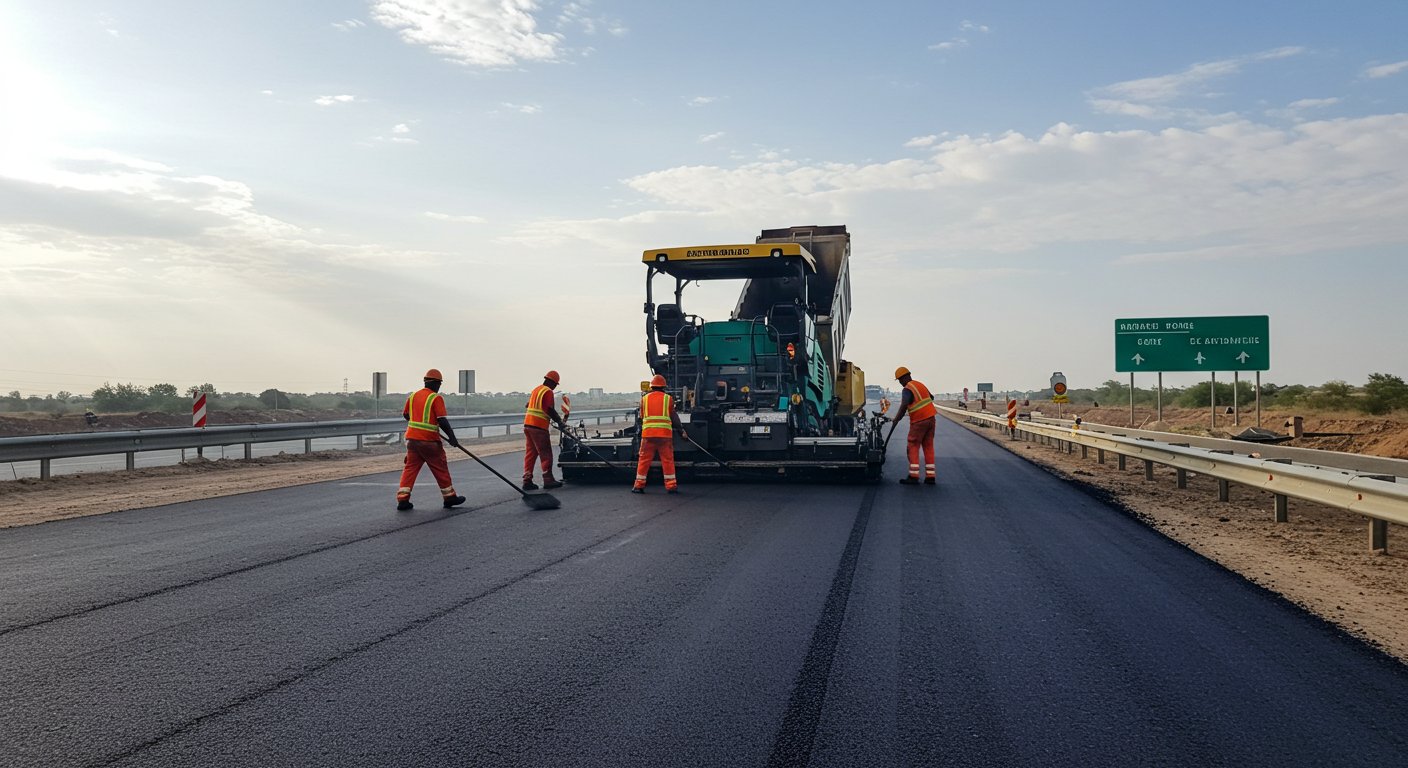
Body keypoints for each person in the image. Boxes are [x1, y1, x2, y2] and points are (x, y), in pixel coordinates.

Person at [396, 369, 466, 511]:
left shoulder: (413, 396)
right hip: (428, 442)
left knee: (410, 468)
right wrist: (453, 438)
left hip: (411, 440)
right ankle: (449, 497)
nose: (439, 387)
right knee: (439, 466)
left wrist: (419, 425)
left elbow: (406, 415)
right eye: (439, 384)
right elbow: (442, 420)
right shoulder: (436, 398)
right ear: (436, 383)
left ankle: (403, 499)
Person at [633, 374, 683, 494]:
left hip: (648, 435)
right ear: (664, 387)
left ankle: (639, 486)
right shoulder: (668, 399)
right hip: (664, 436)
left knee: (644, 460)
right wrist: (681, 431)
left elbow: (642, 417)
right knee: (667, 460)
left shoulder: (644, 399)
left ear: (652, 386)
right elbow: (673, 417)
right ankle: (671, 486)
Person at [523, 370, 568, 490]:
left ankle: (527, 480)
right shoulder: (548, 391)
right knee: (546, 453)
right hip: (539, 427)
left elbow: (528, 405)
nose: (554, 387)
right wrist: (559, 421)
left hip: (528, 425)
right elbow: (549, 409)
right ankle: (548, 480)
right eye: (555, 384)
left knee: (530, 454)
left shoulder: (536, 390)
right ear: (552, 382)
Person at [892, 366, 937, 485]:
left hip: (919, 421)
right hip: (931, 419)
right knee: (928, 446)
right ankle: (930, 476)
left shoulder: (907, 389)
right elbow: (931, 397)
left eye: (900, 380)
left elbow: (904, 405)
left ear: (905, 377)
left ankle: (913, 476)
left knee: (913, 445)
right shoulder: (920, 384)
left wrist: (896, 418)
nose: (901, 383)